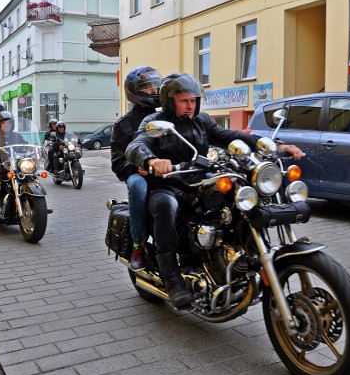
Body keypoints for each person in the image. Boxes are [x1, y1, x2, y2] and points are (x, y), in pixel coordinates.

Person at [125, 73, 304, 309]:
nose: (190, 106)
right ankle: (173, 280)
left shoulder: (202, 121)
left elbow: (231, 136)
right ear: (170, 102)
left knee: (237, 195)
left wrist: (274, 146)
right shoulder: (155, 121)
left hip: (199, 181)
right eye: (183, 101)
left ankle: (234, 254)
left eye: (193, 100)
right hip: (168, 184)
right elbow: (136, 145)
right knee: (166, 206)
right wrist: (152, 160)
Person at [110, 66, 162, 271]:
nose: (154, 91)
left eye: (156, 86)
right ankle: (138, 245)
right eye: (148, 87)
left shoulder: (164, 117)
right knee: (138, 188)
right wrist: (136, 168)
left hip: (165, 170)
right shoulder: (123, 124)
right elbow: (117, 162)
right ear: (134, 93)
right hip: (139, 174)